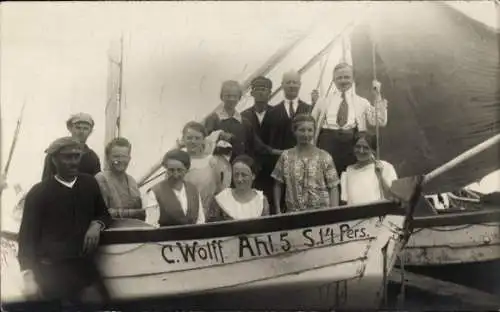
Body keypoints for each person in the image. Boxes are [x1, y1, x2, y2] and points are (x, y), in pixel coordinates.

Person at [17, 137, 111, 308]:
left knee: (104, 304)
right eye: (67, 157)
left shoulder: (89, 184)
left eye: (77, 156)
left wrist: (96, 224)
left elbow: (103, 213)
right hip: (51, 271)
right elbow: (26, 239)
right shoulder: (39, 193)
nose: (73, 162)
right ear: (54, 159)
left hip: (83, 267)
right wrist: (28, 276)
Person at [311, 63, 388, 175]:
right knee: (327, 179)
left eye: (347, 77)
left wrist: (377, 95)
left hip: (351, 147)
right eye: (339, 78)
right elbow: (311, 124)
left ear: (353, 79)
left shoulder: (362, 102)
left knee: (349, 179)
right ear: (333, 80)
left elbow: (380, 121)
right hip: (327, 146)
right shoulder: (323, 101)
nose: (343, 81)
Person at [261, 70, 312, 213]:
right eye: (288, 82)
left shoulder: (308, 109)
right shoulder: (271, 112)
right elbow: (265, 141)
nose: (291, 85)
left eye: (295, 82)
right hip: (278, 166)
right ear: (282, 85)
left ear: (300, 85)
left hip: (304, 165)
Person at [271, 114, 339, 213]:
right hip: (294, 213)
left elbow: (333, 186)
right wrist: (277, 209)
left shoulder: (324, 156)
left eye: (310, 130)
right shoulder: (285, 156)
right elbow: (278, 184)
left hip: (322, 213)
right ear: (294, 131)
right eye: (302, 130)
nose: (306, 134)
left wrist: (334, 212)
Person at [204, 80, 281, 160]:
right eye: (228, 96)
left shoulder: (244, 122)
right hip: (218, 166)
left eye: (234, 96)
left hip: (239, 167)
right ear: (222, 97)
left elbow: (258, 145)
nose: (231, 99)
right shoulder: (213, 119)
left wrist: (278, 152)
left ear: (239, 98)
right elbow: (204, 142)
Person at [241, 76, 276, 213]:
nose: (261, 92)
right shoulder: (243, 116)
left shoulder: (278, 113)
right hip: (252, 168)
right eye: (257, 89)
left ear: (270, 92)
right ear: (252, 93)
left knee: (272, 205)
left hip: (273, 169)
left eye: (264, 89)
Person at [145, 149, 205, 227]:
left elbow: (200, 221)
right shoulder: (155, 193)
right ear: (166, 169)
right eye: (171, 170)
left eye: (180, 170)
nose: (175, 174)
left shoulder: (193, 190)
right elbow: (151, 225)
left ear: (187, 170)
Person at [95, 137, 145, 220]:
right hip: (110, 230)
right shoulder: (101, 179)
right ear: (107, 158)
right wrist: (132, 213)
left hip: (132, 229)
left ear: (129, 158)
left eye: (124, 157)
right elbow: (101, 213)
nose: (120, 160)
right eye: (116, 156)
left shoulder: (132, 181)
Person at [209, 155, 270, 222]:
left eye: (244, 175)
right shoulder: (221, 199)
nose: (239, 179)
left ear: (253, 176)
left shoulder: (262, 200)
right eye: (236, 175)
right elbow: (212, 229)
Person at [340, 134, 398, 205]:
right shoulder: (348, 170)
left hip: (378, 214)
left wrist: (380, 176)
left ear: (373, 150)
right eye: (358, 147)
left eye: (366, 148)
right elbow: (345, 201)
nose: (361, 151)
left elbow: (395, 197)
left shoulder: (385, 167)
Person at [41, 113, 101, 180]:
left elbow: (96, 184)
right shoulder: (56, 151)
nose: (81, 132)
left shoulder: (92, 157)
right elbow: (46, 180)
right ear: (70, 128)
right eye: (78, 128)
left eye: (85, 128)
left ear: (90, 131)